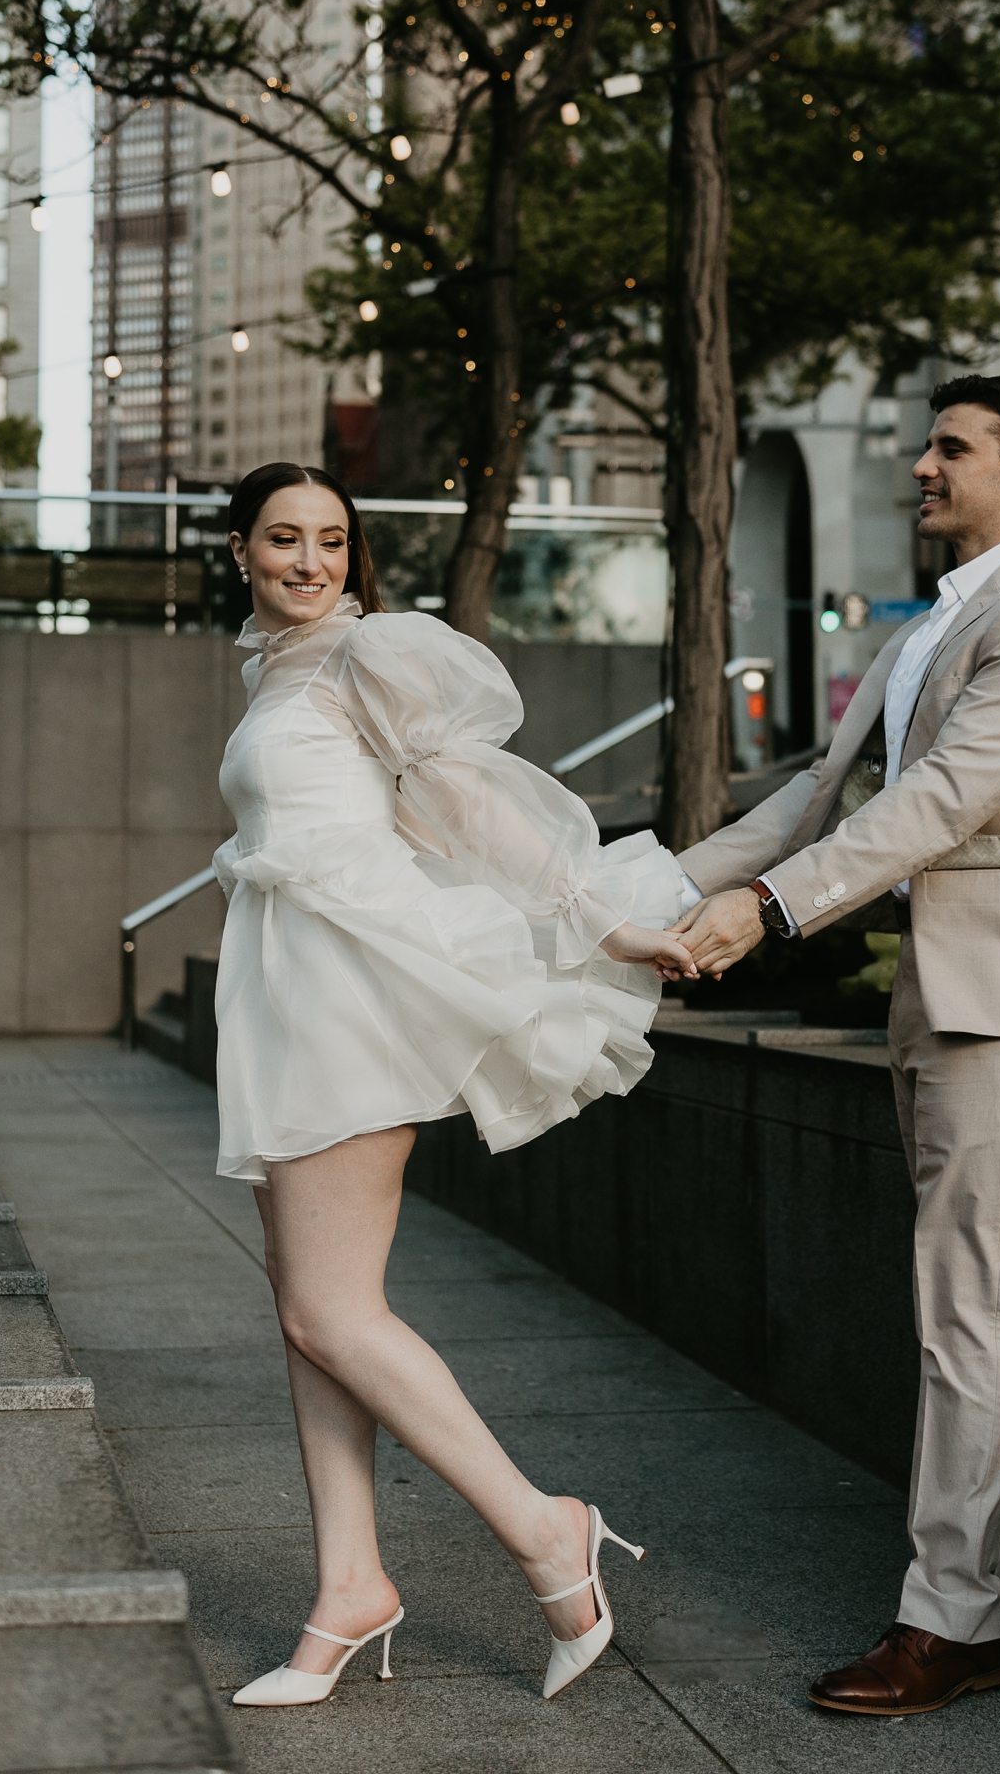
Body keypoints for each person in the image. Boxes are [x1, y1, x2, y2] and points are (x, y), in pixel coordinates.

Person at [669, 376, 1000, 1721]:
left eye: (951, 448)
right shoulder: (935, 622)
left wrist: (774, 911)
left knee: (975, 1301)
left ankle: (950, 1617)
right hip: (946, 985)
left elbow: (944, 799)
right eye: (928, 444)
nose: (923, 465)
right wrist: (643, 899)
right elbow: (817, 793)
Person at [214, 462, 693, 1711]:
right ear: (239, 551)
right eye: (283, 540)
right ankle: (348, 1588)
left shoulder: (364, 655)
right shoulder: (275, 665)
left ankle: (545, 1530)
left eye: (331, 540)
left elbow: (475, 800)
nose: (310, 562)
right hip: (289, 993)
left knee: (332, 1312)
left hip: (353, 999)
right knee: (307, 1314)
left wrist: (603, 922)